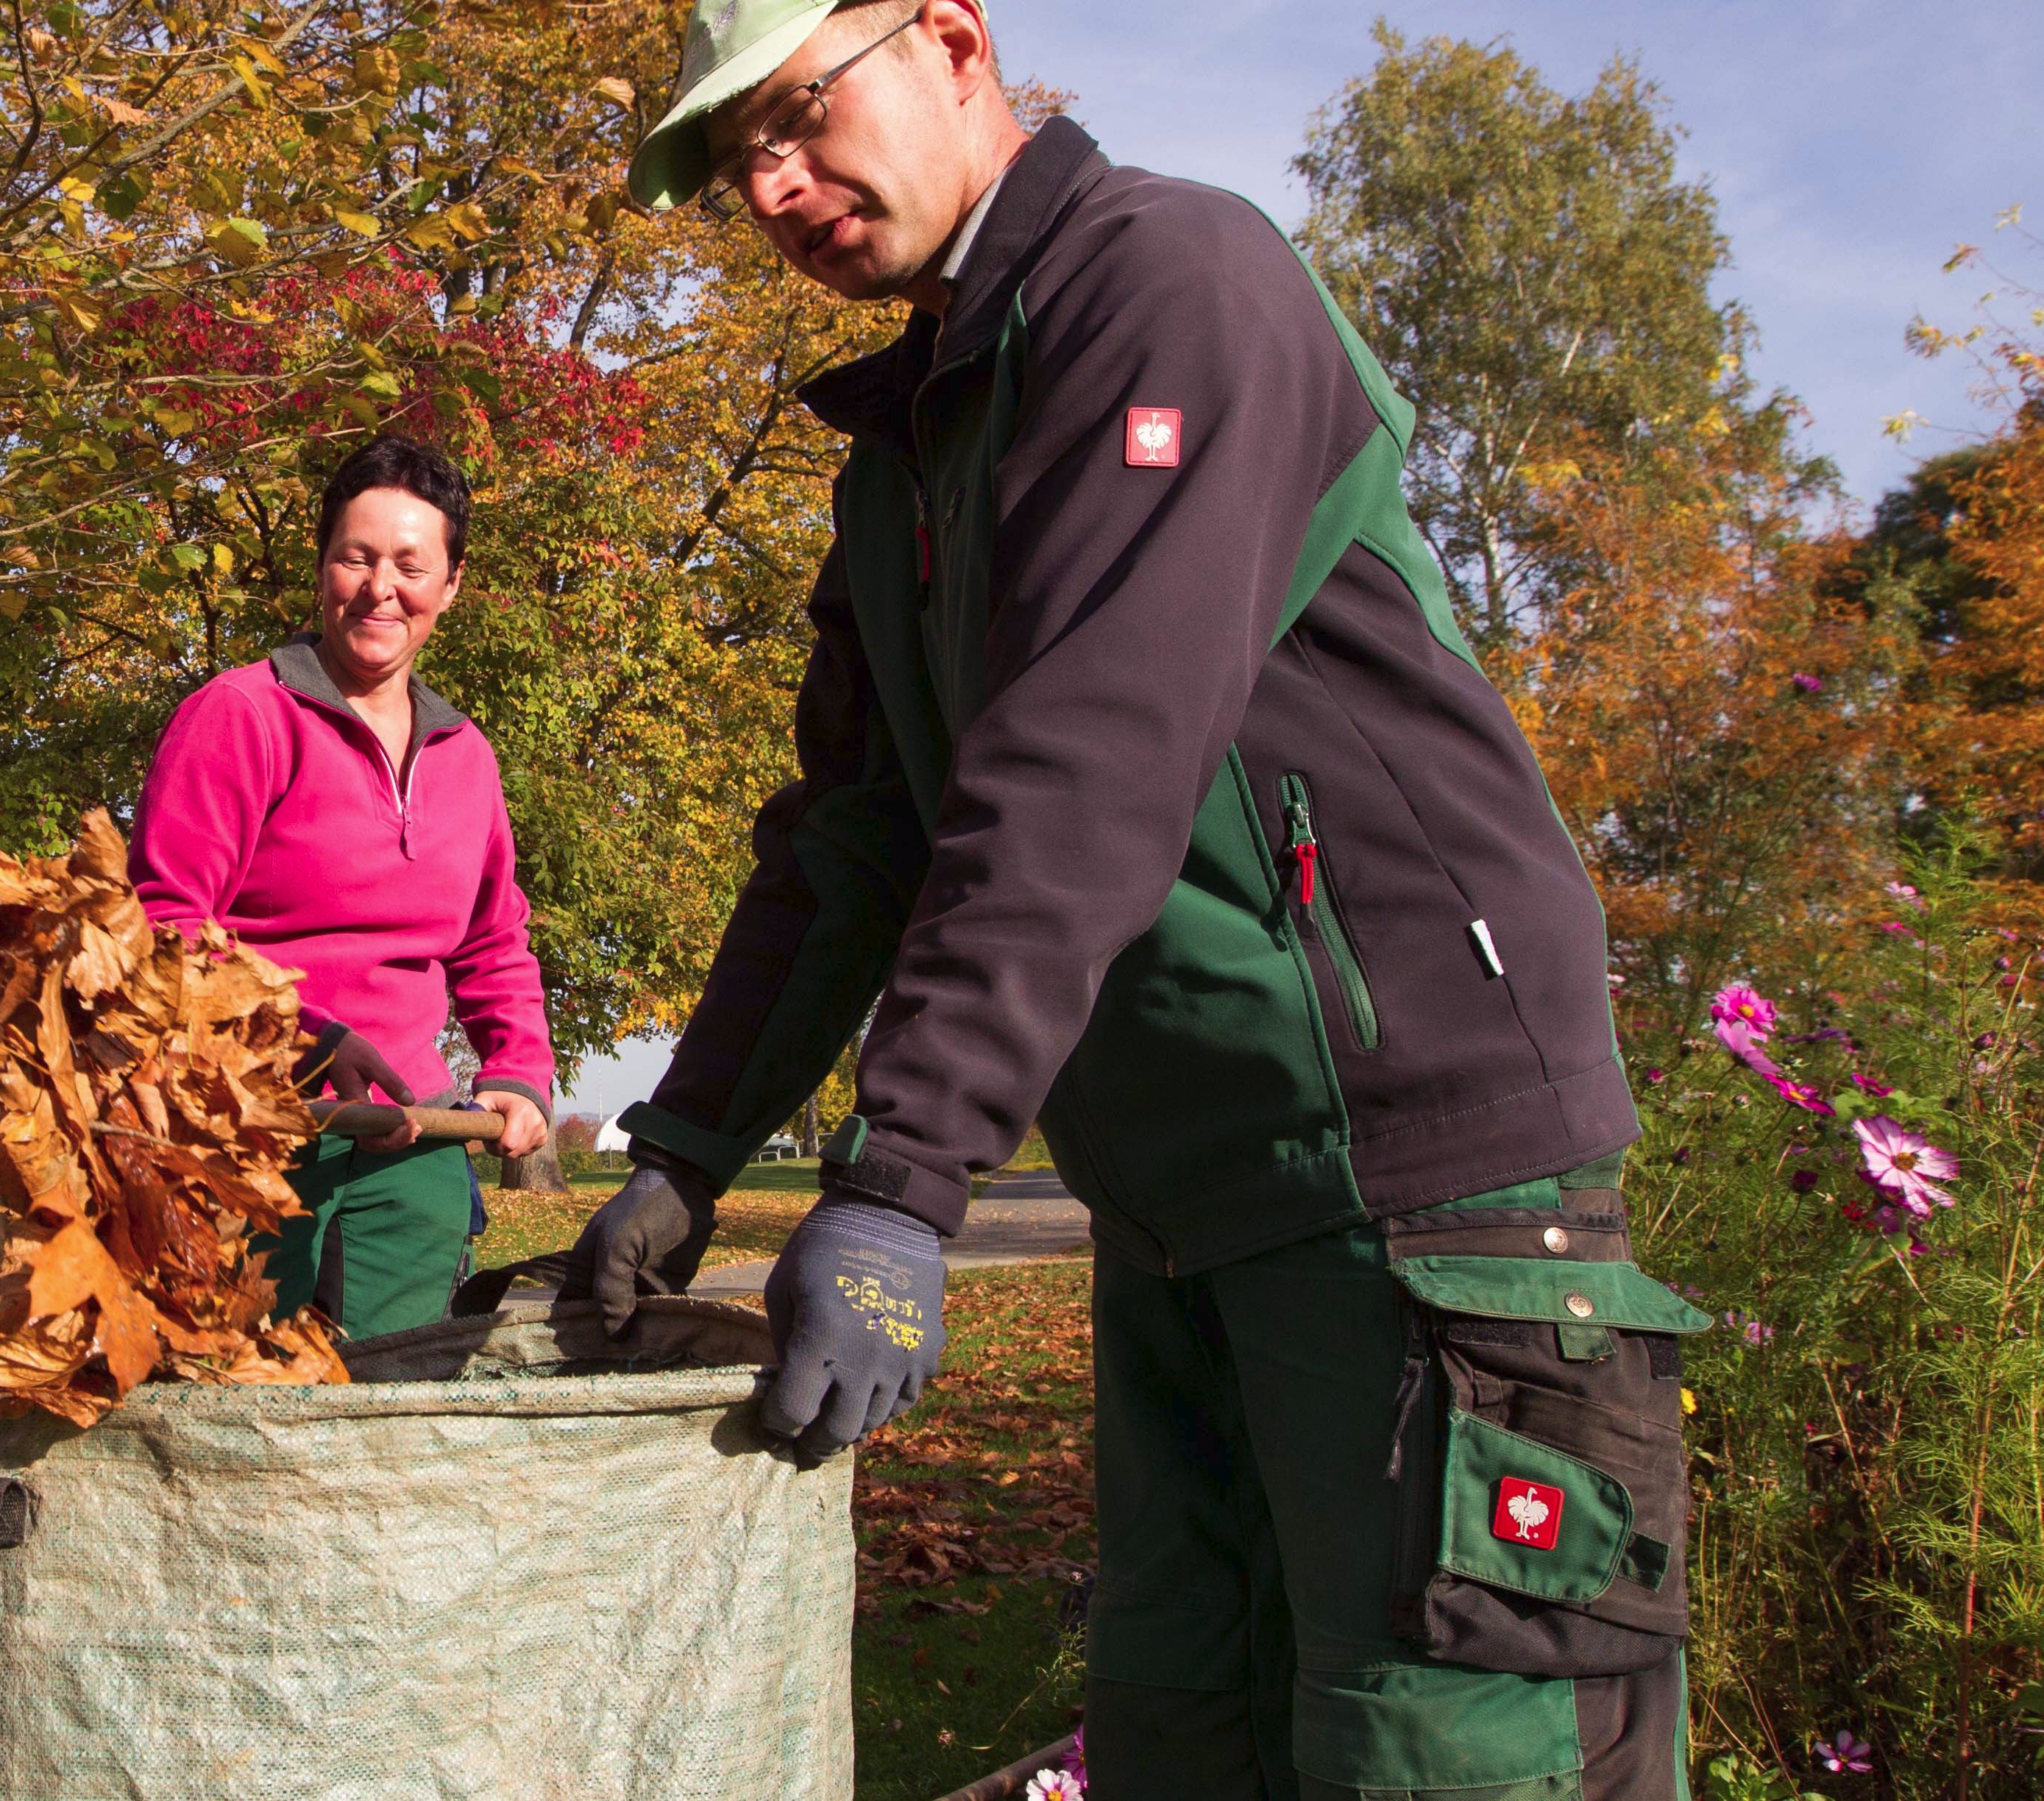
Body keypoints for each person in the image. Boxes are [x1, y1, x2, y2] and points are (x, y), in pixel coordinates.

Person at [567, 4, 1697, 1796]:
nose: (772, 188)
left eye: (793, 114)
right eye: (730, 168)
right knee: (1197, 1740)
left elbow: (1091, 747)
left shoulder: (1175, 278)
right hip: (1182, 1204)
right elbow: (849, 839)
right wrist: (688, 1142)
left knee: (1449, 1754)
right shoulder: (903, 463)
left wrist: (903, 1176)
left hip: (1421, 1191)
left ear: (949, 41)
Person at [130, 435, 556, 1340]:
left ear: (450, 586)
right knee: (230, 1401)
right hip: (247, 1127)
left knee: (396, 1406)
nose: (380, 588)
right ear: (322, 568)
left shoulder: (466, 755)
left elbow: (494, 944)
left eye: (411, 565)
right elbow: (166, 927)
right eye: (356, 558)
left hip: (416, 1144)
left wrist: (518, 1072)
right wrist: (313, 1045)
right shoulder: (242, 716)